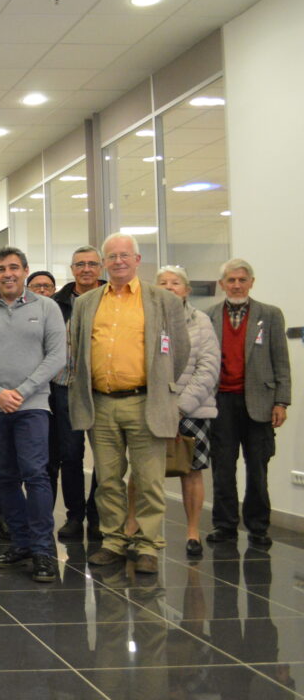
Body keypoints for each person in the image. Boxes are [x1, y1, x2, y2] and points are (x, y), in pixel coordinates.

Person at [68, 233, 188, 576]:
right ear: (104, 263)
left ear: (137, 260)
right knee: (107, 478)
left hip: (145, 402)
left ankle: (147, 544)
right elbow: (77, 350)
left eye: (125, 255)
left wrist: (162, 388)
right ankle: (114, 541)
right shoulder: (86, 303)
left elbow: (178, 352)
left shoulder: (163, 300)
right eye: (112, 256)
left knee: (148, 479)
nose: (118, 261)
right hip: (101, 404)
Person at [0, 247, 66, 583]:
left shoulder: (46, 307)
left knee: (35, 474)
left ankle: (42, 550)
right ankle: (20, 542)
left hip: (33, 405)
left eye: (14, 268)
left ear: (25, 270)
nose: (8, 274)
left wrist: (22, 391)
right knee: (3, 477)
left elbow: (56, 356)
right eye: (1, 268)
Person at [122, 266, 219, 557]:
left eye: (175, 283)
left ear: (186, 290)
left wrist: (178, 408)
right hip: (149, 407)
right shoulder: (143, 318)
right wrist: (158, 404)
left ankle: (192, 532)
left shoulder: (201, 321)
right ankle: (131, 524)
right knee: (141, 471)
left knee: (191, 471)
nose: (168, 287)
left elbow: (208, 368)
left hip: (192, 409)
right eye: (162, 283)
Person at [206, 258, 291, 548]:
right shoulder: (210, 316)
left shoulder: (270, 315)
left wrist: (282, 401)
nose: (237, 285)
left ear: (251, 282)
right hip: (221, 403)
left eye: (242, 280)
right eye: (231, 280)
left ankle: (258, 527)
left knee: (258, 467)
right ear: (222, 284)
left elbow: (281, 361)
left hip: (260, 403)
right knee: (223, 468)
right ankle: (225, 526)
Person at [51, 246, 106, 540]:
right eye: (80, 264)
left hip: (103, 389)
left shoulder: (112, 299)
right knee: (70, 455)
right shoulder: (56, 302)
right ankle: (75, 515)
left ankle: (97, 514)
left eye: (92, 264)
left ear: (101, 268)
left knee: (105, 456)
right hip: (66, 386)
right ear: (72, 269)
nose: (86, 269)